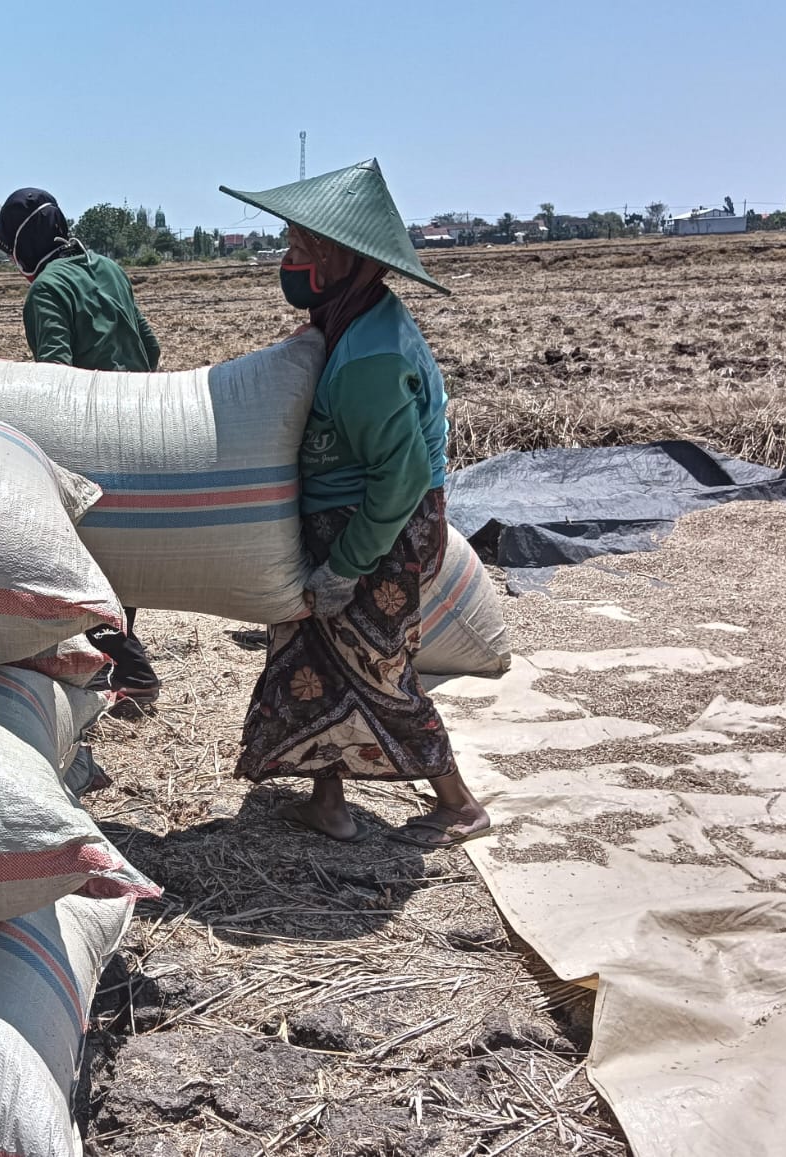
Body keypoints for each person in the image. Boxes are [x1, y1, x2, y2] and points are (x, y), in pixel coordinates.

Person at [217, 159, 490, 849]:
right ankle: (328, 801)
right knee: (308, 657)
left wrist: (346, 566)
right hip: (350, 528)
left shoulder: (369, 358)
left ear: (338, 256)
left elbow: (397, 481)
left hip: (378, 535)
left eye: (300, 247)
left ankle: (459, 804)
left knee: (377, 668)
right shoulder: (352, 320)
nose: (288, 260)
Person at [0, 187, 163, 706]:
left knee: (82, 563)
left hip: (93, 442)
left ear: (22, 246)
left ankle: (132, 670)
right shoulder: (109, 268)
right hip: (142, 426)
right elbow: (151, 347)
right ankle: (120, 669)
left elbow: (56, 377)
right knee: (120, 557)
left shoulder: (46, 289)